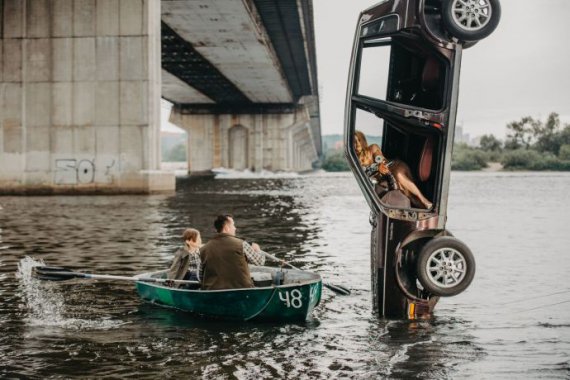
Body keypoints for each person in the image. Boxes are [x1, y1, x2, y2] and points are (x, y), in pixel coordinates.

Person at [354, 130, 433, 210]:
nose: (357, 144)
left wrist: (380, 164)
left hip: (394, 166)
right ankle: (424, 208)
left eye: (359, 140)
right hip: (387, 177)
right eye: (354, 141)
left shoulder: (373, 148)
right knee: (408, 194)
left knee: (398, 175)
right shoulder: (355, 160)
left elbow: (379, 158)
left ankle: (424, 200)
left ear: (363, 140)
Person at [200, 215, 266, 290]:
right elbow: (260, 262)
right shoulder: (241, 244)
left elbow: (200, 275)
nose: (235, 228)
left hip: (213, 292)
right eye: (233, 225)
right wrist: (258, 250)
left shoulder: (203, 249)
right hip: (241, 291)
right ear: (226, 228)